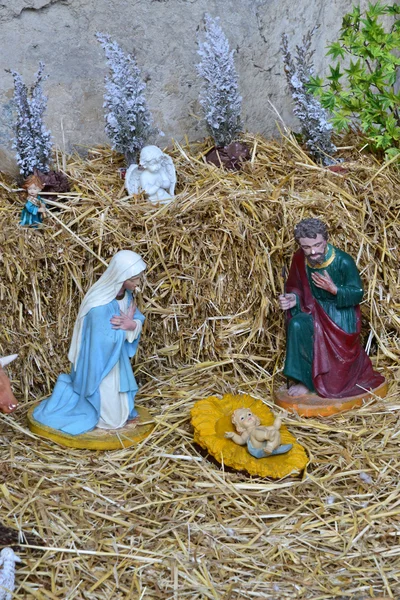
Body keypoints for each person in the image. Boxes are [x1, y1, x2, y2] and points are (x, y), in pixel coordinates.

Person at [33, 250, 146, 434]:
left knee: (120, 410)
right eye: (134, 279)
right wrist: (125, 330)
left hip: (117, 362)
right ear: (121, 276)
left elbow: (135, 318)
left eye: (138, 278)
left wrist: (132, 324)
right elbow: (102, 340)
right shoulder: (98, 304)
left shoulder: (126, 295)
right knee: (111, 418)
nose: (138, 283)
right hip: (100, 365)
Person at [278, 218, 384, 398]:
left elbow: (357, 293)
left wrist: (334, 290)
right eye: (306, 247)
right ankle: (305, 381)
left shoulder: (343, 261)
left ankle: (331, 379)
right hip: (312, 309)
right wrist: (292, 299)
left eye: (317, 245)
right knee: (297, 325)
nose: (312, 251)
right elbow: (295, 286)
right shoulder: (299, 259)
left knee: (334, 387)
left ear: (326, 240)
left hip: (339, 315)